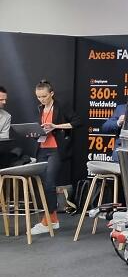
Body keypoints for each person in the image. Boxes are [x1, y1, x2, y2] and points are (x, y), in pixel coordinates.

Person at [31, 80, 83, 235]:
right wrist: (35, 133)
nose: (41, 99)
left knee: (49, 183)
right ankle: (52, 219)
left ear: (51, 93)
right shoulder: (40, 109)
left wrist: (55, 126)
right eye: (39, 97)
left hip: (55, 150)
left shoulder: (61, 107)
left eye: (44, 96)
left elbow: (77, 122)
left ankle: (48, 220)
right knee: (43, 184)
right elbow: (42, 130)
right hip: (42, 149)